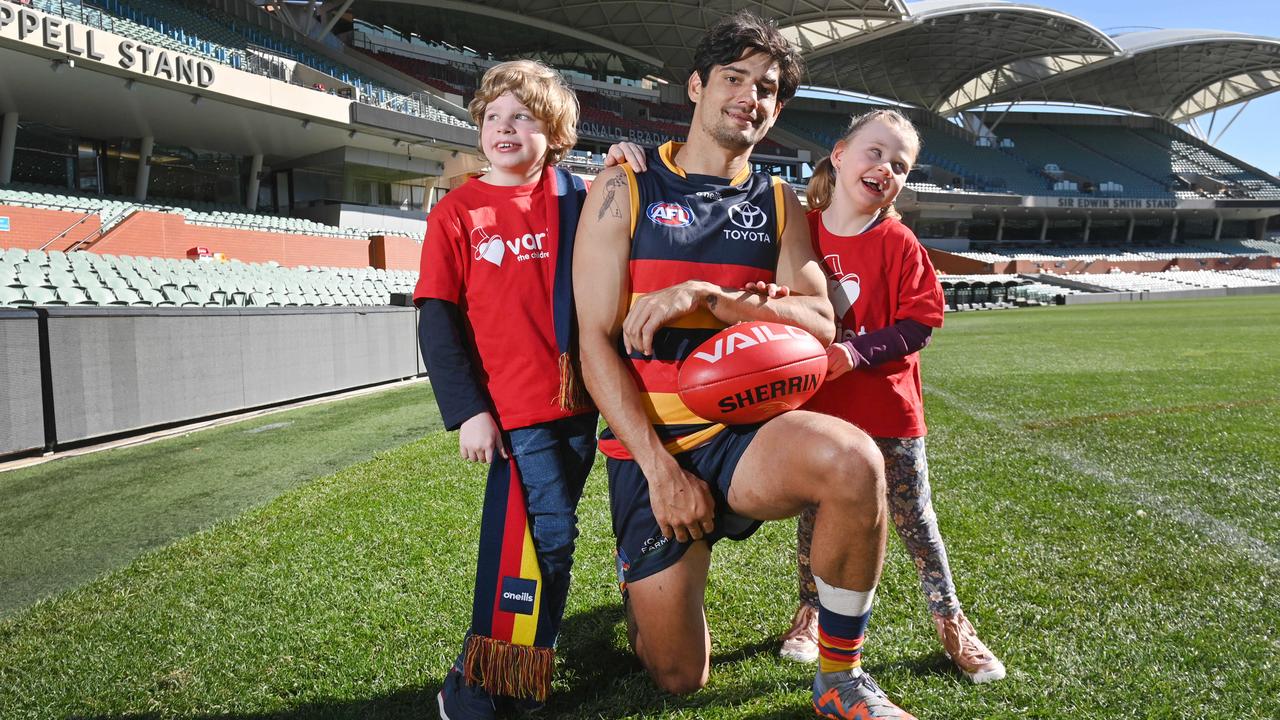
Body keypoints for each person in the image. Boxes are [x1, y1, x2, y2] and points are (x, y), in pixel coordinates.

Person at [573, 13, 916, 720]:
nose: (748, 96)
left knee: (854, 463)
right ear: (697, 85)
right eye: (733, 78)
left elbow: (824, 323)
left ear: (776, 109)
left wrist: (716, 301)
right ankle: (641, 590)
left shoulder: (781, 203)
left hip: (746, 434)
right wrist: (663, 473)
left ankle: (840, 679)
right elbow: (594, 343)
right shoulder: (623, 187)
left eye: (765, 88)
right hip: (654, 447)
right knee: (677, 677)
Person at [413, 59, 643, 719]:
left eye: (523, 117)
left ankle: (505, 677)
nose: (505, 127)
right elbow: (437, 321)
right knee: (546, 541)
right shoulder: (457, 211)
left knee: (536, 543)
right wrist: (469, 413)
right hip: (513, 414)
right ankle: (481, 684)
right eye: (493, 117)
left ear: (555, 132)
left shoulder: (575, 197)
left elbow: (630, 212)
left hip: (580, 401)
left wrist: (625, 162)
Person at [775, 109, 1006, 685]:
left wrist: (851, 354)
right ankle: (809, 613)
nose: (885, 168)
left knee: (914, 521)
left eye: (899, 165)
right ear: (839, 153)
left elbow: (921, 321)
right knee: (815, 515)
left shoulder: (898, 241)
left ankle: (953, 622)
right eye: (874, 153)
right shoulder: (800, 229)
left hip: (889, 412)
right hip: (818, 409)